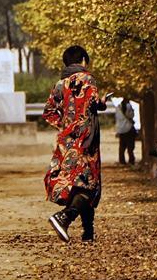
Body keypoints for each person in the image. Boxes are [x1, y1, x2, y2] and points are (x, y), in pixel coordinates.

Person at [43, 45, 110, 242]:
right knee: (89, 185)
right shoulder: (87, 78)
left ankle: (88, 233)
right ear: (82, 60)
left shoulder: (60, 84)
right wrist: (102, 103)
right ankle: (65, 217)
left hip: (67, 143)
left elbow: (48, 111)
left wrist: (66, 127)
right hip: (86, 142)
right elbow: (92, 103)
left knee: (78, 185)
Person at [114, 97, 137, 165]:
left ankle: (122, 161)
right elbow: (131, 115)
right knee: (130, 146)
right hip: (129, 128)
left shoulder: (118, 107)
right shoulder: (129, 106)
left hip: (121, 129)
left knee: (122, 146)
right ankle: (131, 160)